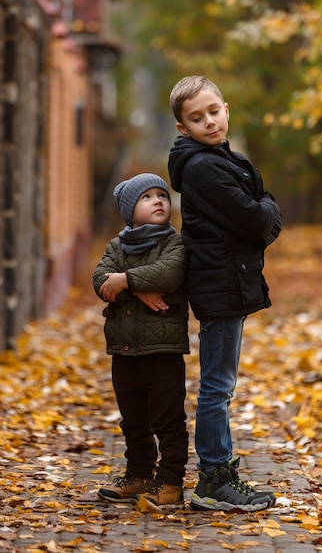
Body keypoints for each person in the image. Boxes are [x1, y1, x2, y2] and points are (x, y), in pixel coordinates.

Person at [168, 76, 283, 512]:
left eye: (213, 111)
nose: (209, 122)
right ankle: (213, 480)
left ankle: (218, 475)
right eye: (197, 118)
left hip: (228, 283)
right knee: (217, 386)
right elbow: (257, 219)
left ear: (227, 109)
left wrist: (264, 212)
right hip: (220, 288)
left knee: (222, 384)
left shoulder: (221, 158)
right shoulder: (203, 167)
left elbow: (259, 210)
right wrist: (269, 215)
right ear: (183, 128)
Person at [92, 173, 189, 508]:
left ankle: (172, 481)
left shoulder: (174, 242)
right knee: (132, 419)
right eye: (147, 197)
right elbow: (99, 280)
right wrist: (134, 289)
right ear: (130, 210)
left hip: (163, 351)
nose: (158, 200)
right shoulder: (117, 246)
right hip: (125, 351)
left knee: (168, 419)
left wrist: (127, 281)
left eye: (162, 195)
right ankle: (138, 475)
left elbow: (170, 273)